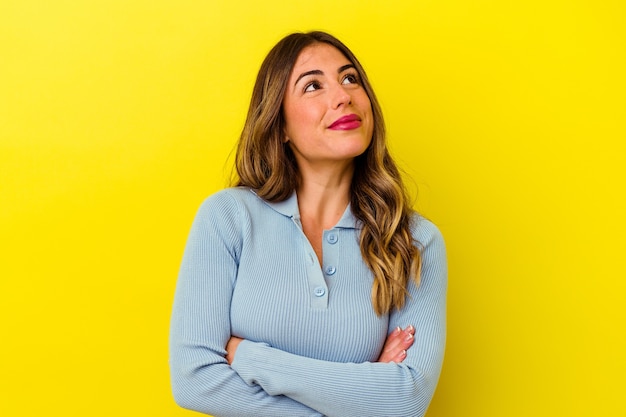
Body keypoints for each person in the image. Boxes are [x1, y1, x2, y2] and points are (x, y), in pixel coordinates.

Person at [169, 31, 447, 417]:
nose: (342, 96)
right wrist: (363, 393)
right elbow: (194, 380)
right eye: (313, 86)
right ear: (279, 125)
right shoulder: (228, 218)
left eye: (350, 78)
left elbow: (406, 401)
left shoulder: (413, 240)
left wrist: (250, 357)